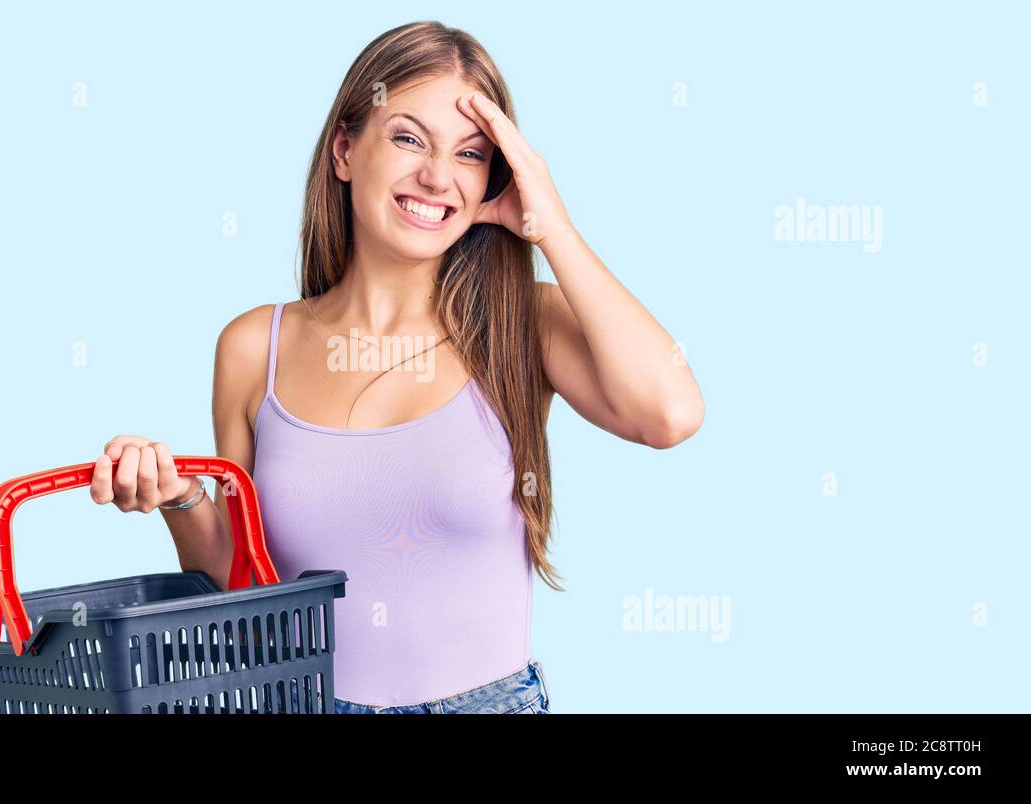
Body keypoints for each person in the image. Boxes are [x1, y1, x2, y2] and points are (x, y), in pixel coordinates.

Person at [89, 20, 704, 714]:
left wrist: (551, 226)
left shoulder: (522, 324)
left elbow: (671, 414)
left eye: (471, 155)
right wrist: (180, 499)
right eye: (409, 138)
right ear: (345, 150)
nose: (438, 176)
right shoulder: (253, 347)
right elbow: (242, 590)